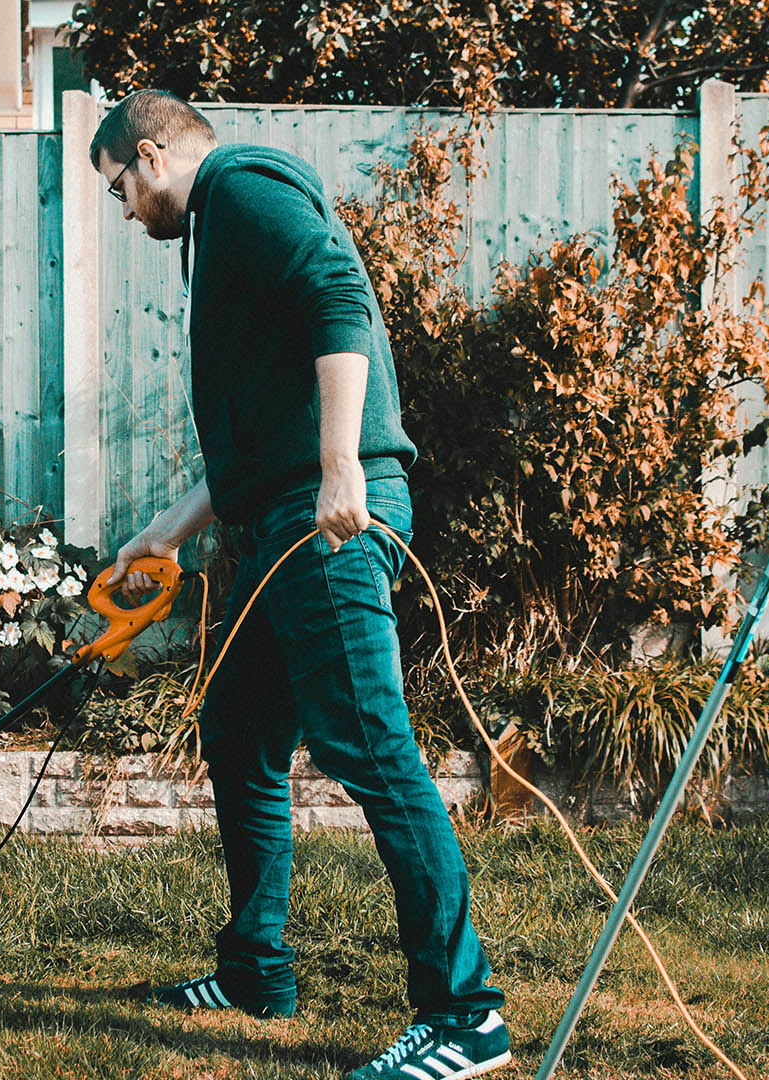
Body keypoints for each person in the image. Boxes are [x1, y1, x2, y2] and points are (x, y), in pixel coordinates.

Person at [91, 89, 510, 1080]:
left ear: (151, 156)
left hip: (325, 524)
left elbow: (336, 295)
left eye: (117, 190)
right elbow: (256, 438)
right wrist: (165, 532)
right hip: (283, 518)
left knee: (371, 749)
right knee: (238, 731)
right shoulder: (219, 229)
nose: (123, 213)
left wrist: (338, 465)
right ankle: (254, 972)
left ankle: (466, 1018)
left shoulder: (243, 183)